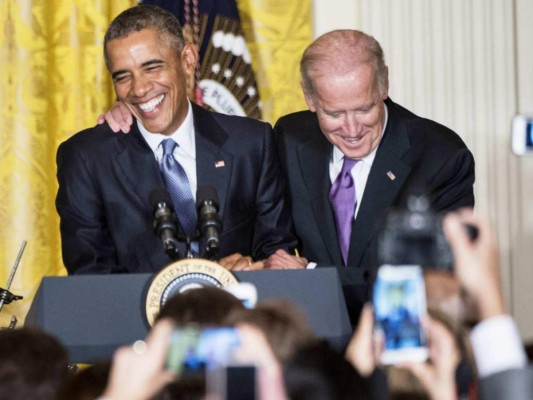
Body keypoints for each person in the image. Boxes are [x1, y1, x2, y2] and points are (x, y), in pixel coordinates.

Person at [56, 5, 296, 274]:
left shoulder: (251, 143)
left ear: (188, 60)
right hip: (136, 315)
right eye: (123, 76)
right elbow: (91, 277)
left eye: (152, 67)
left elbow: (277, 252)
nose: (139, 88)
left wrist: (253, 266)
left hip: (237, 312)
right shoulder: (87, 158)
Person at [266, 29, 475, 321]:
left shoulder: (440, 157)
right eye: (334, 114)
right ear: (309, 98)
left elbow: (428, 283)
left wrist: (312, 276)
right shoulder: (290, 138)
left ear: (383, 85)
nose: (352, 130)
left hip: (399, 339)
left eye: (364, 109)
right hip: (313, 341)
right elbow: (274, 242)